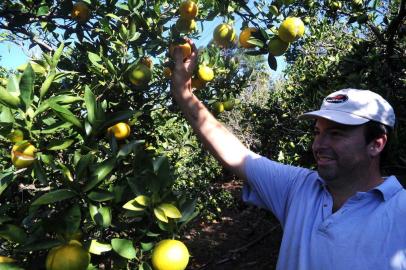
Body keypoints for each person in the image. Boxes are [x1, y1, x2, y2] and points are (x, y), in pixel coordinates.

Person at [171, 39, 406, 270]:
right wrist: (184, 94)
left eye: (336, 134)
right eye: (317, 132)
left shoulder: (400, 212)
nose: (319, 144)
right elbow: (235, 153)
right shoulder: (299, 188)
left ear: (376, 144)